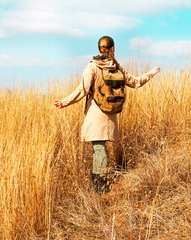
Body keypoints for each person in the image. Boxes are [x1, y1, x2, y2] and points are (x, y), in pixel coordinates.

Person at [54, 36, 160, 194]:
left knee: (99, 149)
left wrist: (64, 102)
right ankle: (102, 185)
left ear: (99, 49)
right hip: (110, 113)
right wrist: (151, 73)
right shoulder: (116, 66)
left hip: (96, 112)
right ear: (113, 49)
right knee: (100, 149)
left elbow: (82, 90)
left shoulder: (92, 67)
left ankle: (100, 188)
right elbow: (135, 82)